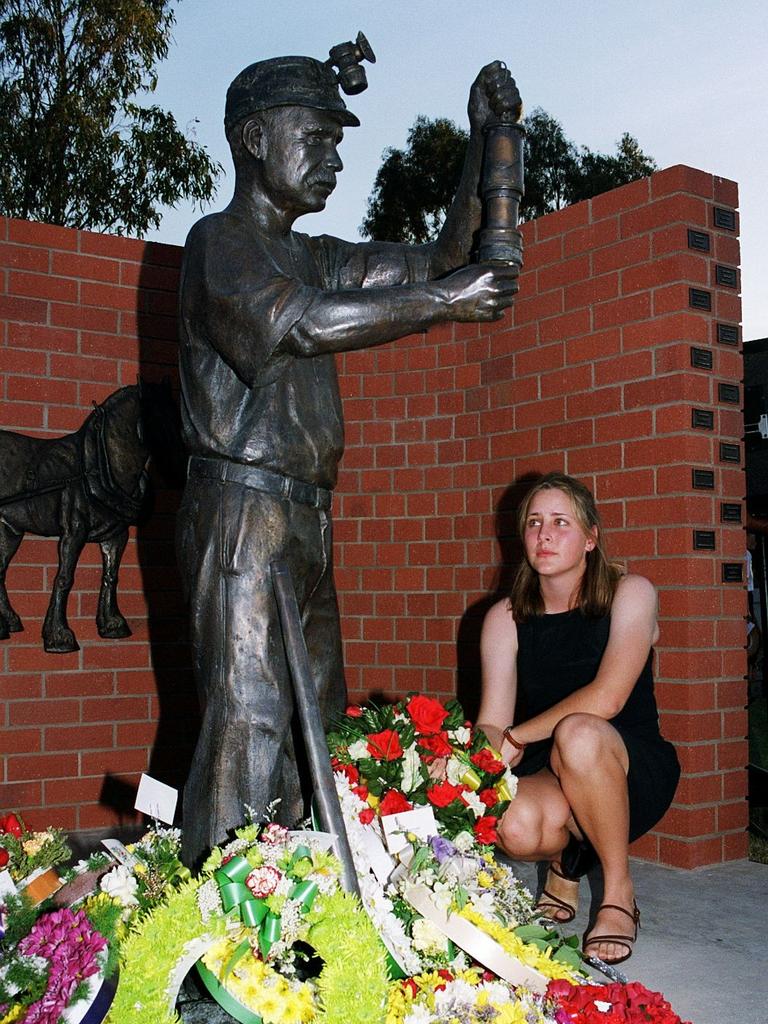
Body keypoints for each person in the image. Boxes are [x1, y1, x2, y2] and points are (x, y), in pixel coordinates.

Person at [176, 43, 522, 868]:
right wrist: (444, 303)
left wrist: (480, 145)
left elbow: (445, 260)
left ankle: (298, 917)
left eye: (340, 141)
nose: (333, 158)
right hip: (241, 513)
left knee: (311, 726)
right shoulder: (219, 243)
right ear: (254, 137)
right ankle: (210, 936)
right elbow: (303, 324)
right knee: (248, 719)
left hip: (302, 522)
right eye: (317, 136)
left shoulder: (317, 255)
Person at [477, 472, 680, 965]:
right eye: (534, 523)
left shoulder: (631, 592)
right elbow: (491, 719)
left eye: (561, 523)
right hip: (548, 764)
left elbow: (607, 698)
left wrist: (516, 737)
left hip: (626, 761)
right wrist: (479, 757)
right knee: (516, 826)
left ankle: (617, 893)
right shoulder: (505, 617)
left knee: (580, 732)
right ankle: (565, 863)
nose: (544, 535)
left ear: (591, 538)